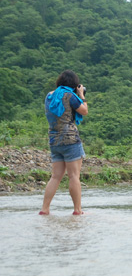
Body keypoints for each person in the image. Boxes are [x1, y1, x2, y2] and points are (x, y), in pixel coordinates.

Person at [40, 70, 88, 215]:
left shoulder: (49, 96)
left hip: (54, 140)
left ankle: (45, 209)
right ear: (74, 84)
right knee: (74, 176)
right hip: (70, 140)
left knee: (55, 177)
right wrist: (82, 95)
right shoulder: (71, 96)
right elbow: (84, 111)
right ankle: (77, 210)